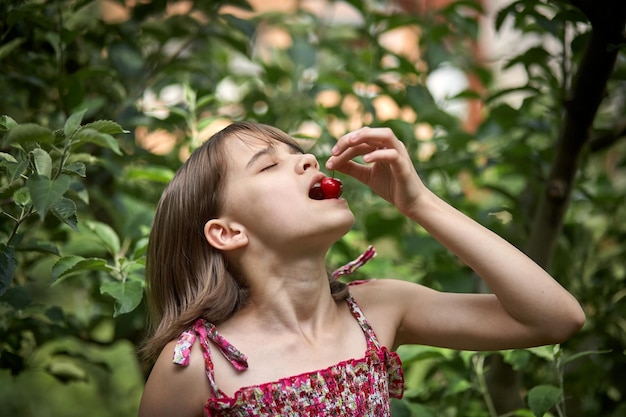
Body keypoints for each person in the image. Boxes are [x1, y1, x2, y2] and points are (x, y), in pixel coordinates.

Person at [138, 121, 585, 417]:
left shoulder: (376, 310)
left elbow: (555, 319)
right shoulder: (195, 366)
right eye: (270, 164)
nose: (308, 160)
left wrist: (419, 203)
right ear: (228, 232)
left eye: (301, 154)